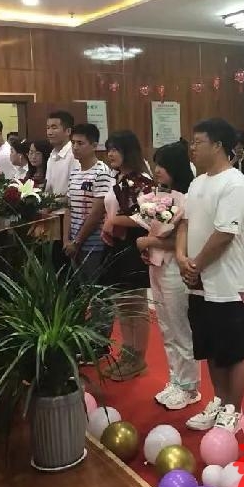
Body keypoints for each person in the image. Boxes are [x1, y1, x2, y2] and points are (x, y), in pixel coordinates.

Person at [176, 118, 244, 432]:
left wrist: (194, 265)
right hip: (199, 282)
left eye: (198, 142)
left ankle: (234, 410)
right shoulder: (197, 183)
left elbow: (224, 234)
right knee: (209, 347)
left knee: (233, 352)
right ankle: (219, 401)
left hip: (229, 283)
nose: (192, 148)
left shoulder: (235, 183)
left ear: (218, 145)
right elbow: (184, 223)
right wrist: (181, 258)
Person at [138, 141, 200, 409]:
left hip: (175, 267)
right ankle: (176, 379)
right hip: (157, 265)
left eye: (162, 165)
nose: (157, 170)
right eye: (156, 164)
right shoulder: (158, 196)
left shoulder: (187, 198)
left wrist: (150, 241)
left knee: (179, 327)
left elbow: (184, 240)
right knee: (165, 327)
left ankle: (190, 386)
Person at [100, 130, 154, 381]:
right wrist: (108, 225)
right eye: (109, 149)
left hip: (134, 246)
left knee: (135, 304)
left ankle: (138, 358)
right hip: (116, 246)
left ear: (128, 151)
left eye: (116, 149)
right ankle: (127, 353)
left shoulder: (142, 180)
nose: (110, 154)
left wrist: (114, 222)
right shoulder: (118, 177)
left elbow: (148, 216)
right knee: (122, 304)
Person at [64, 123, 112, 281]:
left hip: (93, 243)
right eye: (73, 143)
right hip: (72, 243)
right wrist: (66, 240)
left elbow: (96, 213)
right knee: (79, 288)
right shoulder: (74, 172)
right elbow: (69, 208)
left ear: (94, 146)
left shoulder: (102, 172)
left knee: (93, 287)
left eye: (80, 143)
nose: (75, 147)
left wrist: (77, 242)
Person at [45, 110, 76, 198]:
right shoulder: (52, 154)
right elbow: (48, 188)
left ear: (68, 131)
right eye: (48, 128)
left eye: (54, 128)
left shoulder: (74, 155)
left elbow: (74, 191)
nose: (49, 132)